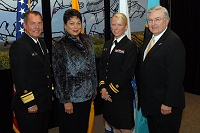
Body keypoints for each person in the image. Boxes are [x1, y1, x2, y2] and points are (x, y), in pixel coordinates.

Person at [138, 6, 186, 133]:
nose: (153, 24)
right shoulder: (150, 37)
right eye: (150, 20)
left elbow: (175, 76)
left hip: (165, 105)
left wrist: (168, 103)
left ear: (167, 20)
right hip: (152, 102)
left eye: (157, 19)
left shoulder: (173, 42)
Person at [52, 9, 97, 133]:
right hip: (71, 98)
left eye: (78, 23)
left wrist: (94, 87)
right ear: (65, 25)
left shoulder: (87, 40)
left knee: (82, 128)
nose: (76, 27)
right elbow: (59, 75)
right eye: (71, 23)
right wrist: (66, 100)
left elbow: (92, 66)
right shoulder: (60, 45)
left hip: (87, 95)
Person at [9, 11, 53, 133]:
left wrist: (50, 92)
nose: (37, 27)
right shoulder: (19, 46)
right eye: (33, 23)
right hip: (29, 106)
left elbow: (46, 71)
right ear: (25, 25)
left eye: (39, 23)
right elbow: (20, 78)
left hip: (43, 102)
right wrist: (30, 103)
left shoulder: (42, 43)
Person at [99, 12, 138, 133]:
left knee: (124, 127)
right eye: (113, 24)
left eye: (119, 25)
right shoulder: (107, 44)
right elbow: (101, 67)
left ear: (126, 27)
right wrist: (102, 88)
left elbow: (126, 73)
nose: (116, 28)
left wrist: (109, 91)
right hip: (107, 94)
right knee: (110, 122)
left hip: (121, 95)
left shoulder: (130, 46)